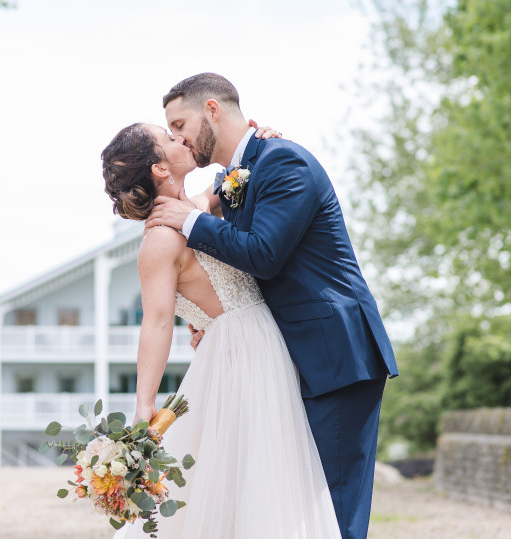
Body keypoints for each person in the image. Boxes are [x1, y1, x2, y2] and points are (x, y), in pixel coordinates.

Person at [145, 73, 399, 539]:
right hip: (288, 359)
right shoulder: (237, 175)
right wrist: (214, 321)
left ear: (213, 110)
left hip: (335, 356)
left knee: (334, 512)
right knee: (295, 511)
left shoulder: (285, 162)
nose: (178, 137)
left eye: (180, 124)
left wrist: (192, 219)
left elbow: (264, 254)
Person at [101, 122, 341, 538]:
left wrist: (263, 139)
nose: (183, 140)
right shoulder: (159, 242)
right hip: (240, 355)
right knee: (249, 479)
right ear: (160, 168)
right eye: (171, 138)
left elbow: (234, 176)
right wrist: (144, 405)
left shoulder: (193, 208)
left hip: (261, 341)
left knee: (261, 479)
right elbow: (156, 321)